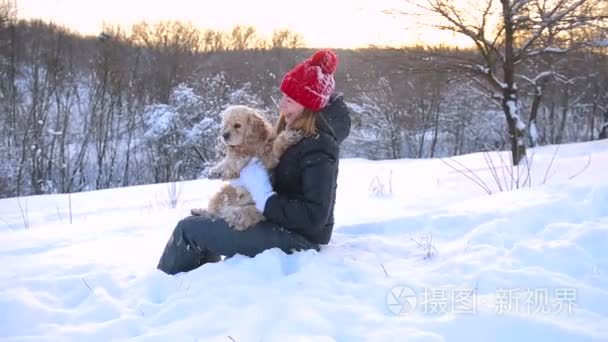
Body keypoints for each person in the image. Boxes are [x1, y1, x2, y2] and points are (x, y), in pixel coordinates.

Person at [157, 49, 351, 275]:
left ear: (307, 105)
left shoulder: (319, 145)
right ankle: (199, 284)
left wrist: (265, 197)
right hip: (277, 224)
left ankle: (164, 288)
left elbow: (315, 217)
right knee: (198, 225)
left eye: (289, 100)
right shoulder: (294, 134)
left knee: (188, 230)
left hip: (299, 239)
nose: (281, 106)